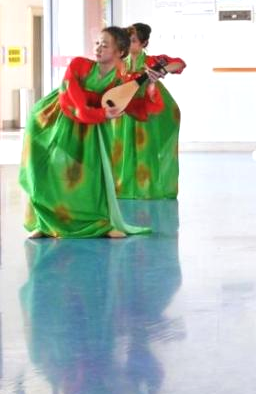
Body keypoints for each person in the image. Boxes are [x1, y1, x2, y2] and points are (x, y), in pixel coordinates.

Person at [19, 26, 161, 238]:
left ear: (120, 52)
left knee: (94, 177)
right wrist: (101, 114)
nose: (98, 48)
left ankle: (101, 223)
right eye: (97, 43)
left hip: (92, 129)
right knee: (46, 170)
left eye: (105, 45)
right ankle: (44, 223)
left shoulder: (122, 80)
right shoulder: (79, 65)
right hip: (56, 119)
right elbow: (74, 102)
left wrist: (151, 83)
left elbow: (138, 105)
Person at [111, 22, 186, 200]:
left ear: (144, 43)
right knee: (121, 145)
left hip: (147, 108)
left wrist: (161, 70)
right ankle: (123, 187)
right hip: (125, 109)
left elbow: (180, 64)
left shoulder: (151, 61)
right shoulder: (119, 64)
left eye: (133, 41)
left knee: (147, 145)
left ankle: (147, 187)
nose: (127, 44)